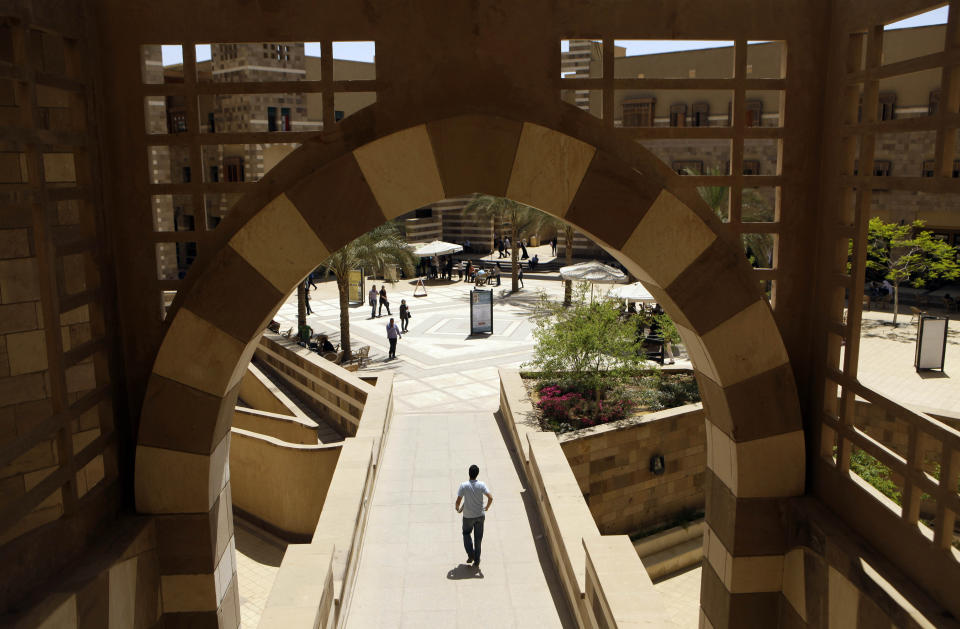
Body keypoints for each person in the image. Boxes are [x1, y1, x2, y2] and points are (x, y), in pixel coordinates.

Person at [455, 464, 493, 569]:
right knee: (478, 539)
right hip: (480, 515)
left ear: (469, 473)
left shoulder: (464, 485)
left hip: (467, 516)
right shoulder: (482, 485)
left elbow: (458, 501)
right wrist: (487, 507)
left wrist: (457, 508)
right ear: (477, 474)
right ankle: (476, 561)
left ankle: (470, 554)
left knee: (466, 534)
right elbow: (490, 497)